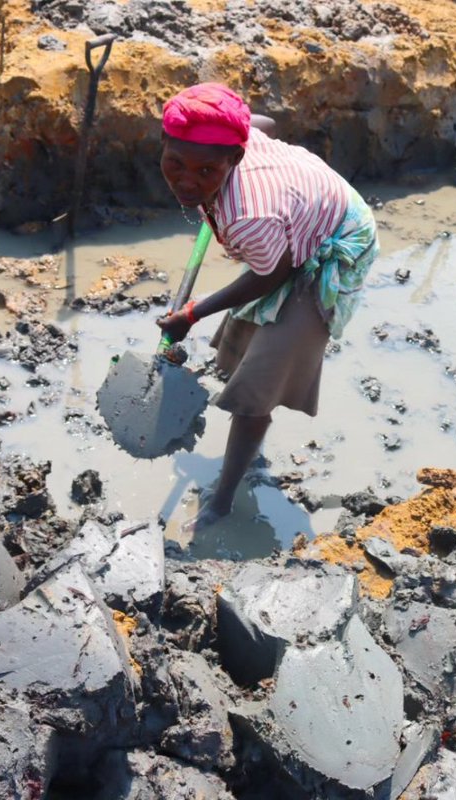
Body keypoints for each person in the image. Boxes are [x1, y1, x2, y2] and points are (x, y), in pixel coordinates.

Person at [155, 82, 378, 531]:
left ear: (234, 160)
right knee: (248, 339)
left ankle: (222, 501)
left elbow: (272, 274)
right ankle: (249, 411)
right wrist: (213, 175)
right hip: (295, 221)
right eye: (175, 163)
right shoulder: (237, 136)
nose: (186, 181)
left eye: (205, 172)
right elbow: (264, 124)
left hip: (336, 240)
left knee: (256, 394)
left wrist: (193, 313)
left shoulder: (250, 216)